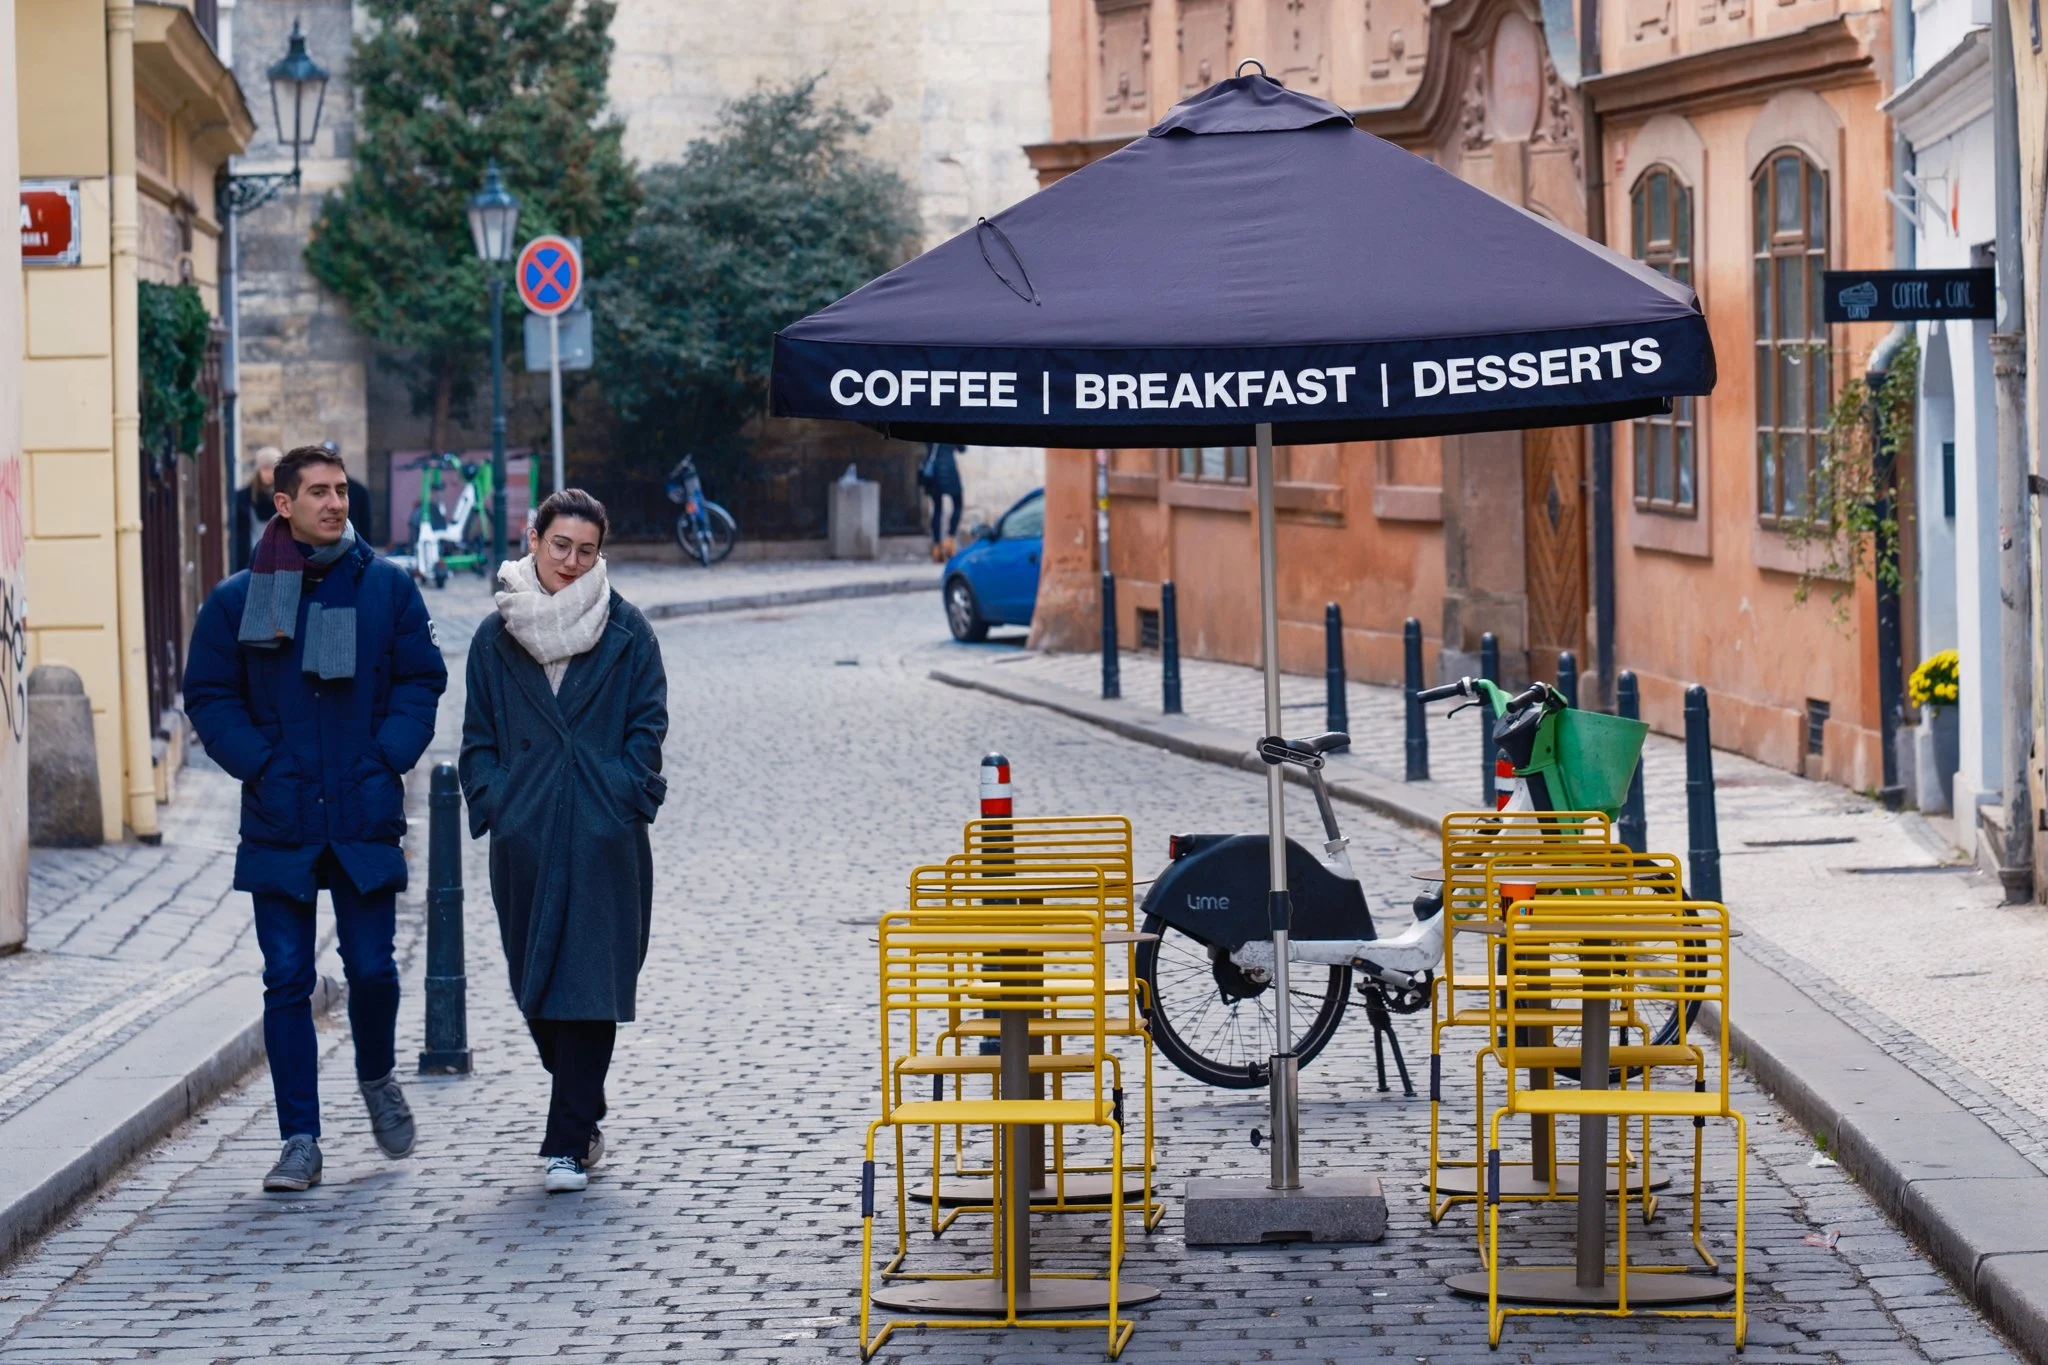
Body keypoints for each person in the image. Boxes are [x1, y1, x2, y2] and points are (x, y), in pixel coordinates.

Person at [185, 445, 448, 1192]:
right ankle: (300, 1137)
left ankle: (376, 1073)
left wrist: (386, 755)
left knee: (372, 968)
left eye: (342, 491)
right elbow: (208, 694)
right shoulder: (240, 600)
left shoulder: (387, 589)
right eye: (319, 492)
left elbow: (422, 681)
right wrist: (261, 764)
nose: (336, 503)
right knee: (287, 977)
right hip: (282, 809)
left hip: (362, 804)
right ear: (283, 504)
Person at [458, 489, 668, 1193]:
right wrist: (498, 802)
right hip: (527, 837)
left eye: (586, 551)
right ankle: (585, 1108)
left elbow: (648, 723)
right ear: (534, 539)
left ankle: (565, 1141)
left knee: (590, 983)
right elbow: (478, 738)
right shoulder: (496, 637)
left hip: (604, 836)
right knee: (537, 985)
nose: (572, 564)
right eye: (560, 547)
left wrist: (625, 793)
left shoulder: (627, 632)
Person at [234, 446, 282, 571]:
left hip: (278, 561)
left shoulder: (285, 498)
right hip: (249, 561)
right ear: (258, 470)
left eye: (273, 469)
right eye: (265, 468)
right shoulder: (243, 498)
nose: (269, 473)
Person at [919, 442, 965, 562]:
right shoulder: (953, 426)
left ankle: (937, 547)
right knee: (958, 504)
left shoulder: (928, 426)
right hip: (949, 471)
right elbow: (962, 448)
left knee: (937, 509)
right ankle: (950, 540)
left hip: (934, 473)